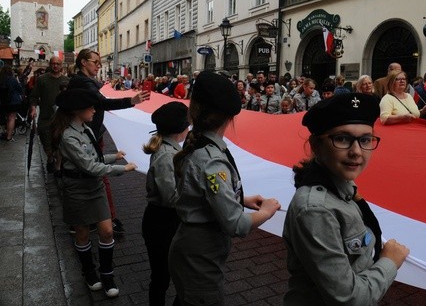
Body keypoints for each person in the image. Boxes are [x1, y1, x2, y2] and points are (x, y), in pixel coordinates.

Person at [283, 93, 410, 305]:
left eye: (365, 139)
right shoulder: (317, 210)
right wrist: (389, 262)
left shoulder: (341, 187)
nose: (357, 152)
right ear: (316, 145)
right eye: (342, 138)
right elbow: (350, 299)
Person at [169, 71, 281, 305]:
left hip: (192, 249)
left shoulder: (200, 144)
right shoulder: (211, 159)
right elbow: (235, 225)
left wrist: (242, 200)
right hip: (200, 256)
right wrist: (267, 212)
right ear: (230, 116)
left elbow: (202, 194)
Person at [50, 88, 137, 298]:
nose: (94, 109)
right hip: (77, 188)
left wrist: (112, 156)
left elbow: (94, 158)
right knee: (82, 232)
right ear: (77, 110)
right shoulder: (68, 136)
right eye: (90, 106)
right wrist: (122, 169)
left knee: (106, 231)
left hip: (94, 187)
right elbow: (89, 166)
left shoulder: (86, 128)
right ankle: (89, 272)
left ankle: (107, 274)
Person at [67, 48, 150, 235]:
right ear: (83, 62)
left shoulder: (85, 82)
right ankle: (104, 219)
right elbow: (103, 103)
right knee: (97, 177)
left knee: (92, 177)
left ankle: (94, 218)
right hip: (89, 135)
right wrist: (131, 100)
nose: (98, 65)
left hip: (91, 133)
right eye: (95, 62)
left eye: (99, 62)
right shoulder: (84, 83)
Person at [142, 102, 190, 306]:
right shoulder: (167, 155)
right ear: (180, 129)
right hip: (163, 222)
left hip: (165, 220)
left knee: (168, 274)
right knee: (163, 276)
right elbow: (171, 197)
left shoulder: (169, 149)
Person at [29, 57, 69, 171]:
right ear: (50, 65)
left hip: (61, 118)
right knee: (45, 140)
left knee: (60, 143)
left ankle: (57, 164)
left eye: (58, 64)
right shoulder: (42, 79)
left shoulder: (66, 80)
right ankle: (51, 158)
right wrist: (33, 109)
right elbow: (34, 96)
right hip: (45, 117)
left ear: (61, 65)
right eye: (53, 63)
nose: (55, 66)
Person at [0, 66, 24, 142]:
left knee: (4, 117)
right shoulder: (13, 79)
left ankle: (3, 132)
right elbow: (20, 90)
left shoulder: (1, 79)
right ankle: (9, 136)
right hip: (13, 102)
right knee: (11, 118)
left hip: (2, 102)